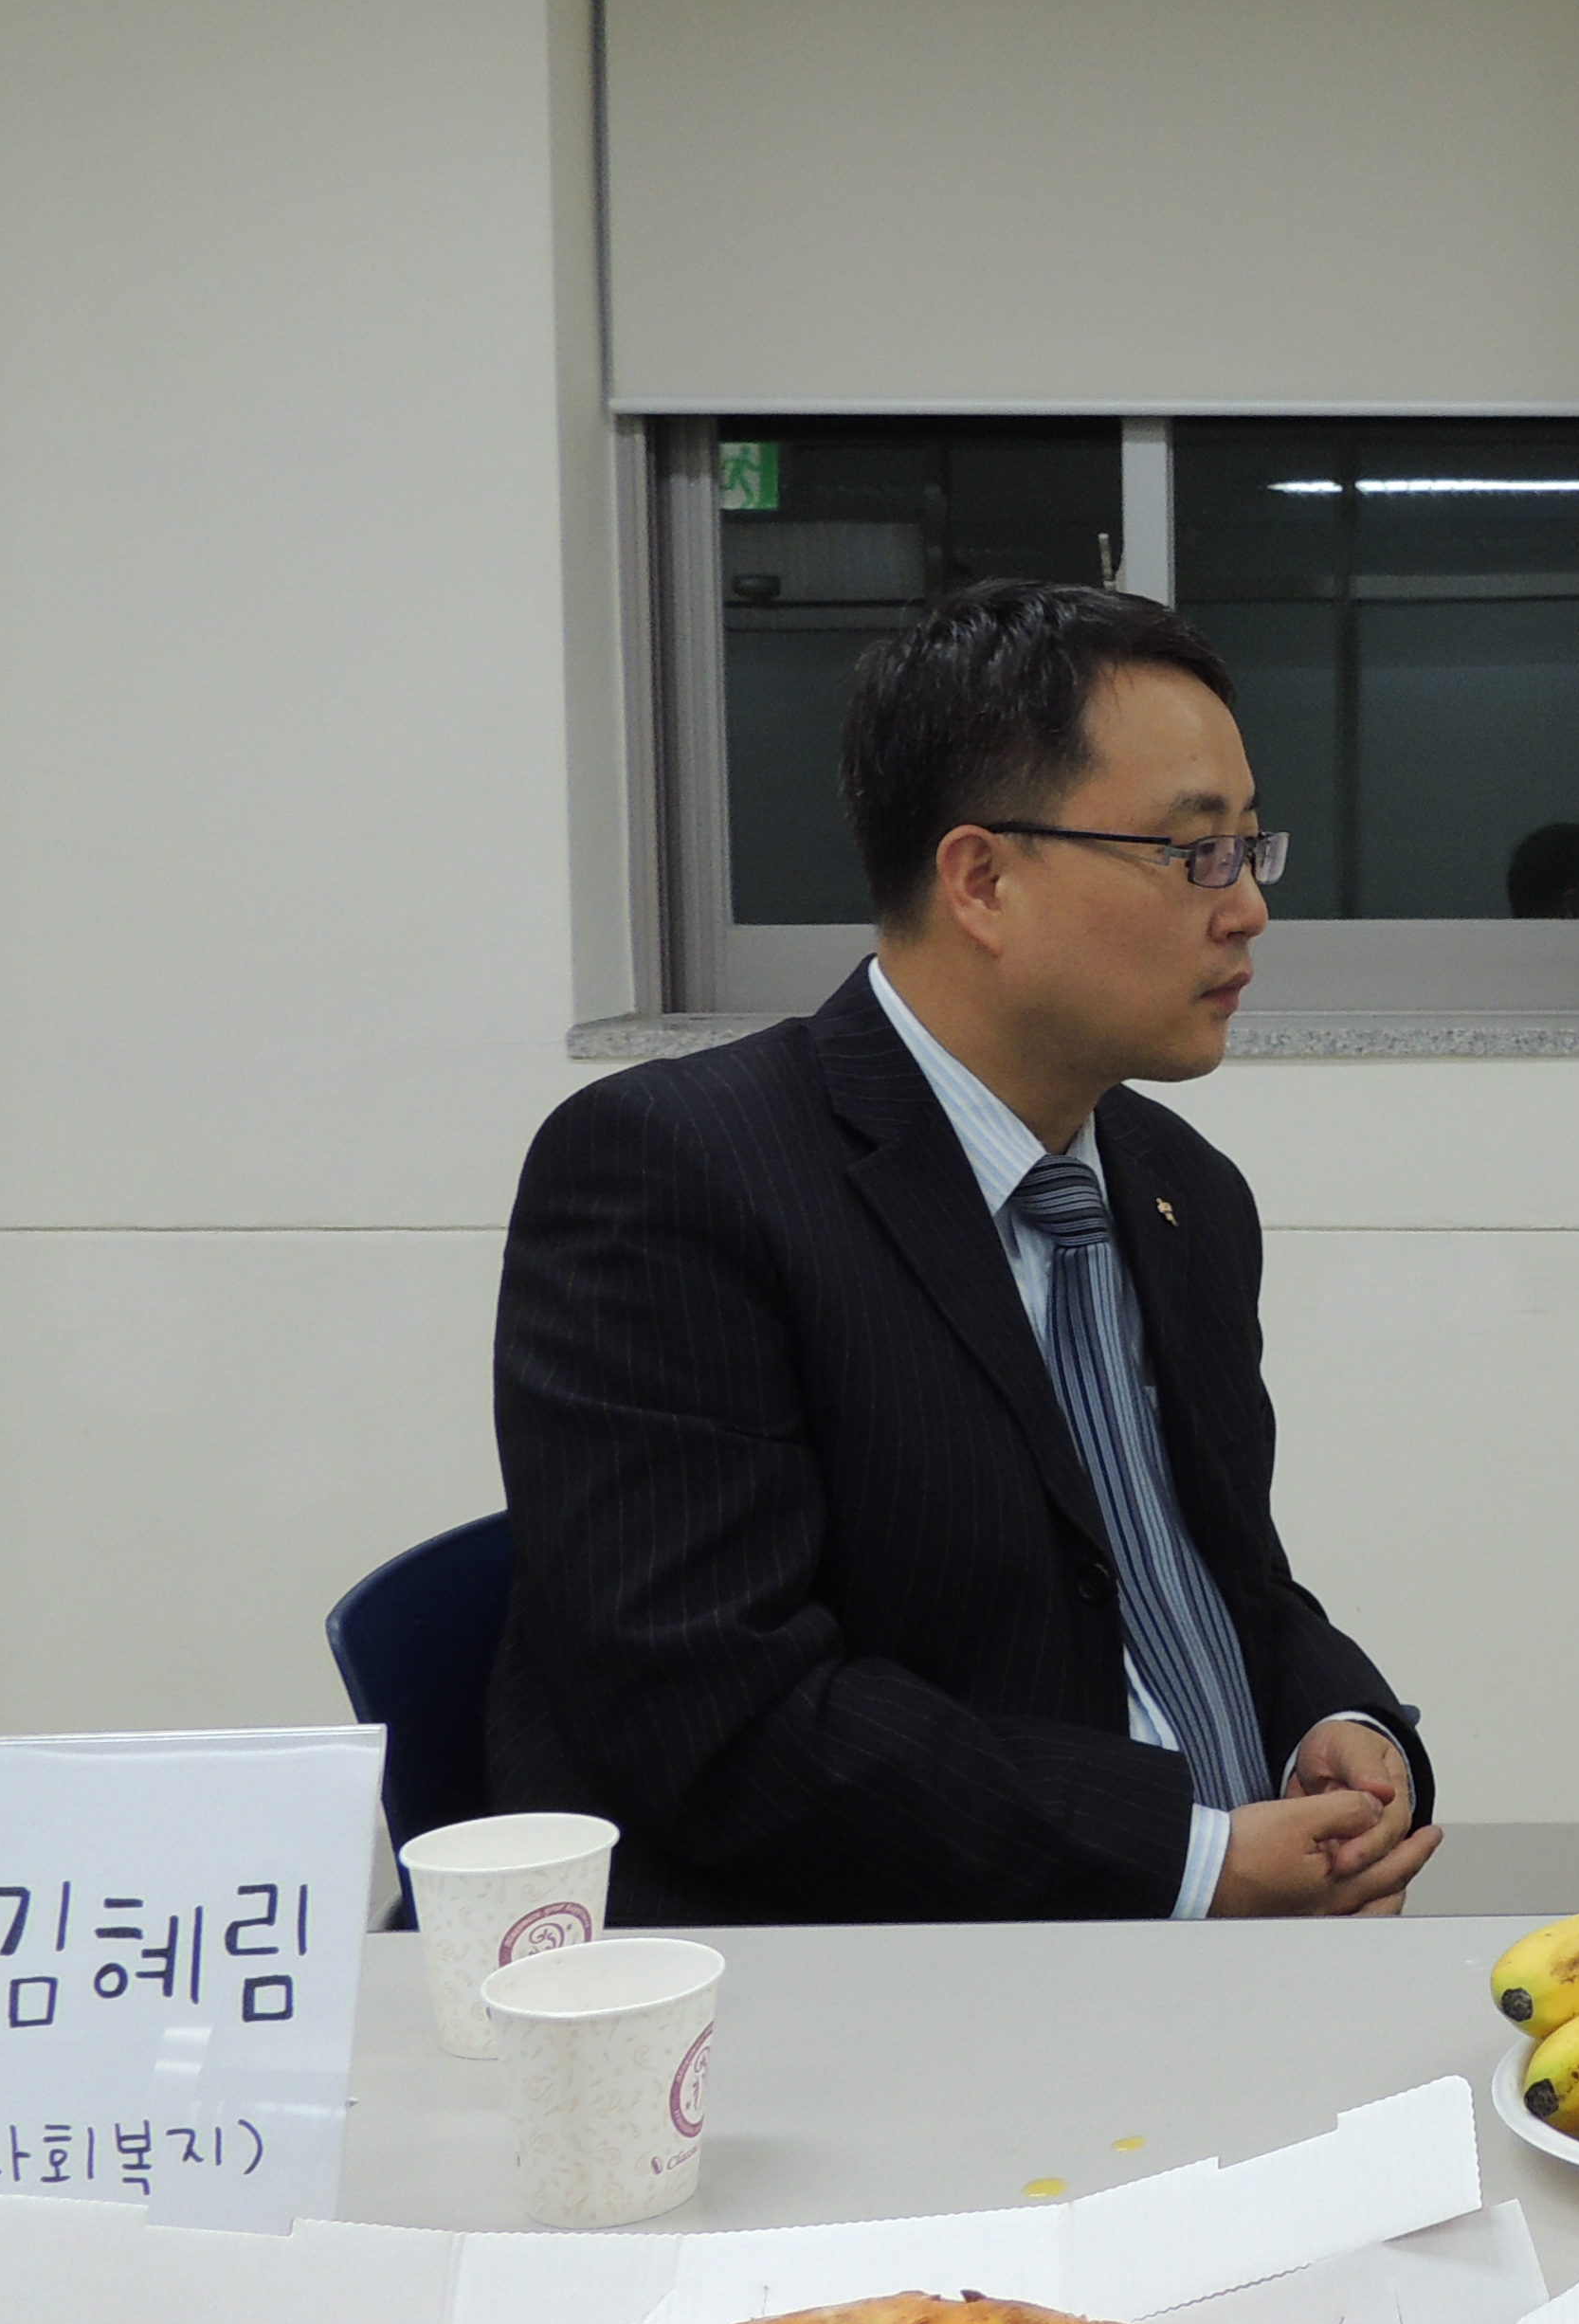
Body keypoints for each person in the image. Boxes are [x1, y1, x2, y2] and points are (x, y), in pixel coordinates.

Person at [482, 582, 1436, 1926]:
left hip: (1225, 1945)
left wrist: (1336, 1724)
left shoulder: (1181, 1191)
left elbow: (1221, 1573)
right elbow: (720, 1714)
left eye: (1248, 848)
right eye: (1192, 853)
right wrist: (1185, 1862)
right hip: (900, 1968)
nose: (1246, 913)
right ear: (982, 880)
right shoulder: (677, 1174)